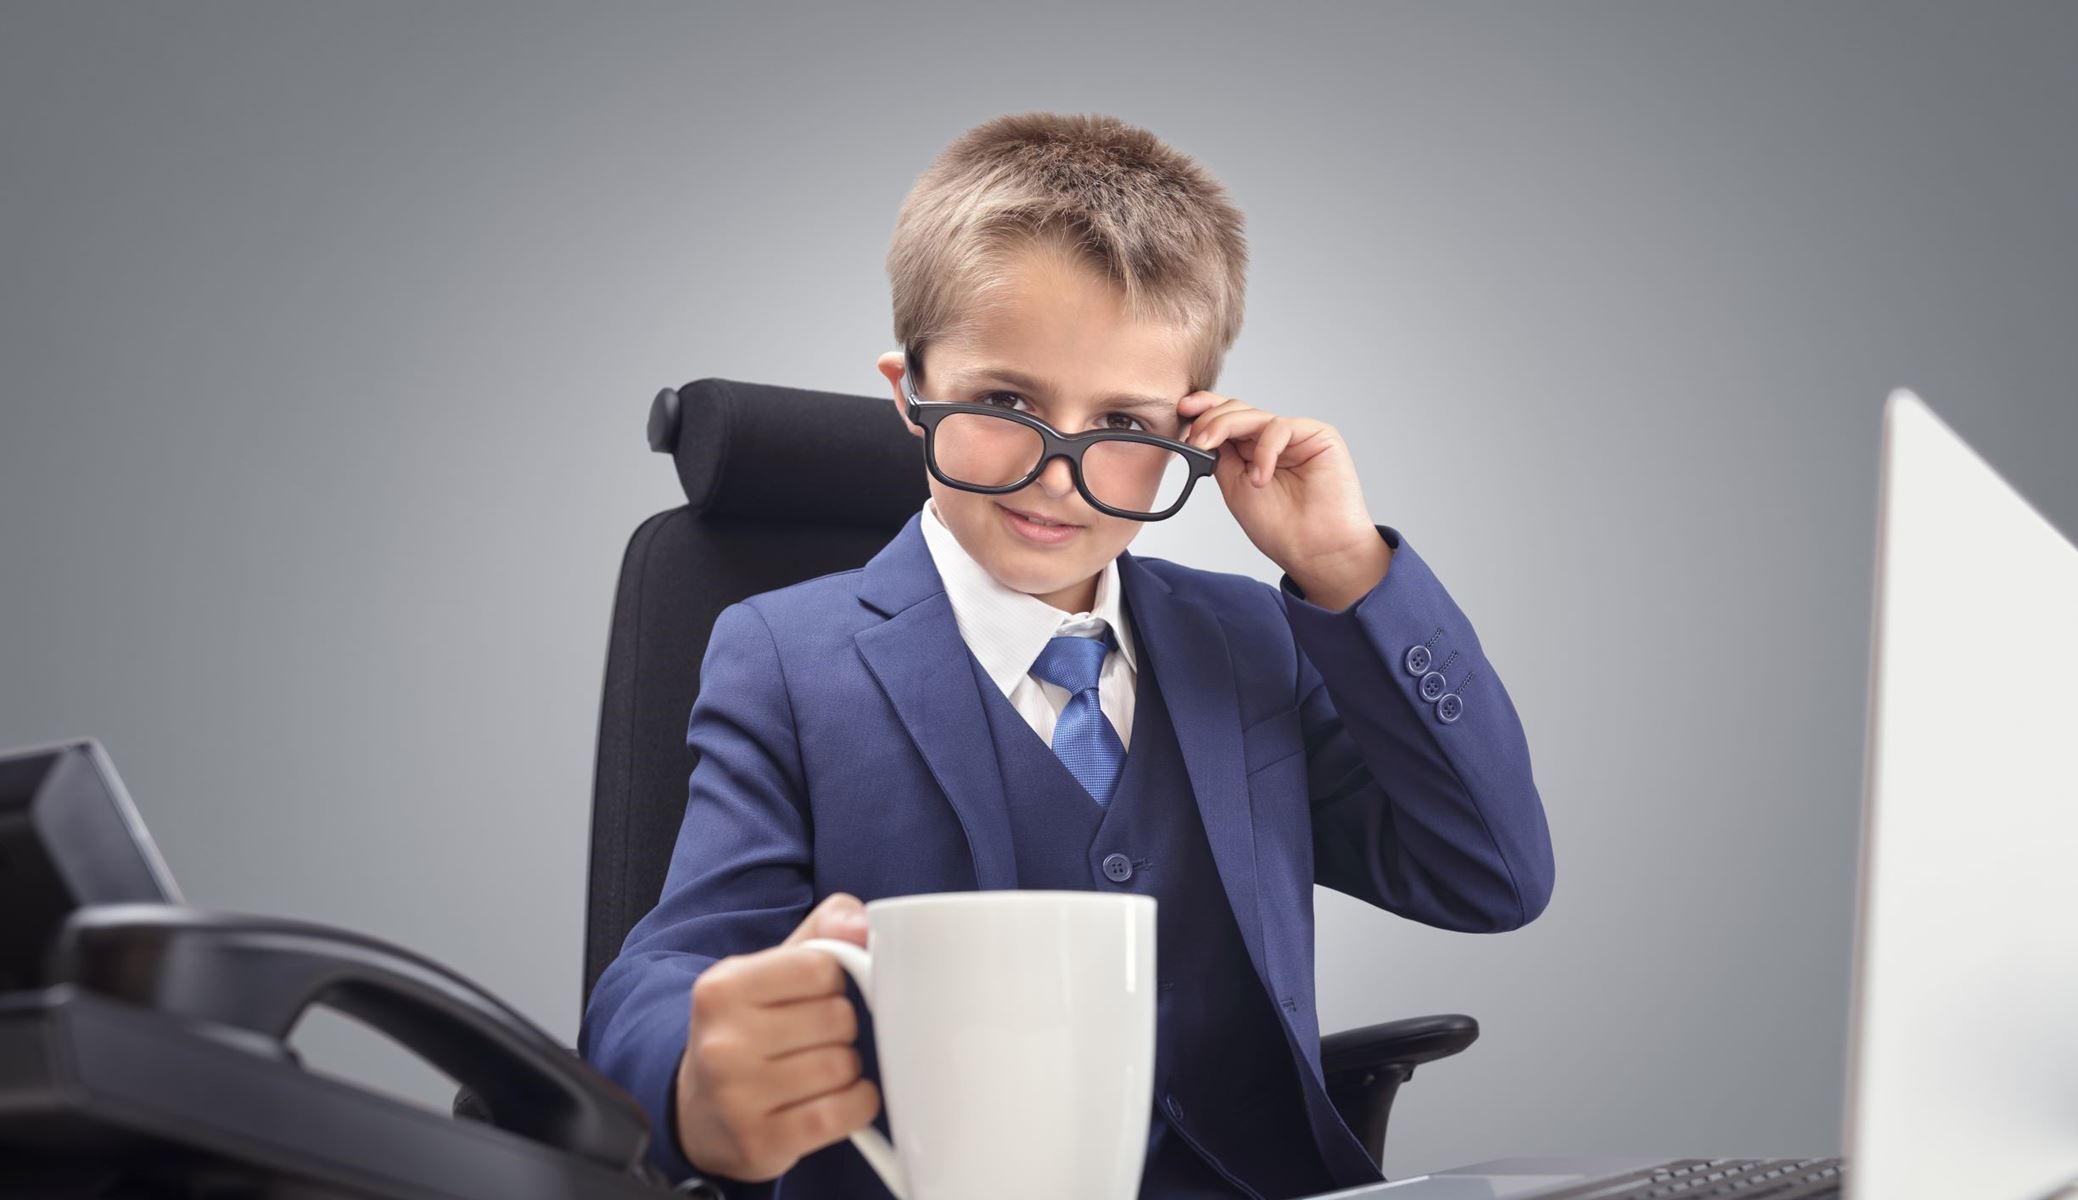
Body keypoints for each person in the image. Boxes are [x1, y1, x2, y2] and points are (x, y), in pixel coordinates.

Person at [578, 111, 1555, 1200]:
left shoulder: (1246, 640)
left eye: (1124, 424)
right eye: (1004, 403)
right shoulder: (785, 657)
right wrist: (689, 1079)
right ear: (909, 393)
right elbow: (664, 972)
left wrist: (1344, 573)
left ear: (1192, 431)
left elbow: (1488, 874)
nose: (1057, 475)